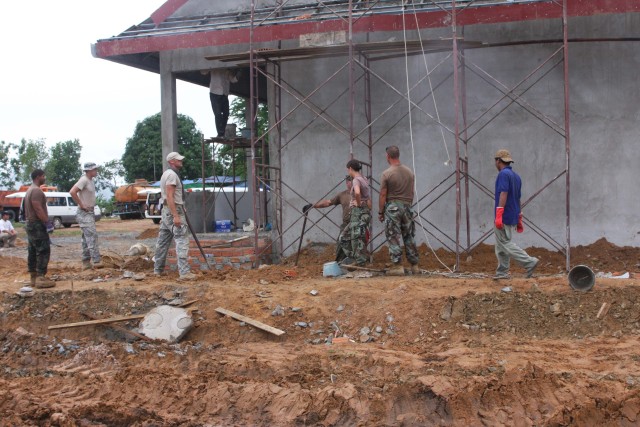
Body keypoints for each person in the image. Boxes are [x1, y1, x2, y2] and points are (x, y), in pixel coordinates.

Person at [493, 149, 539, 279]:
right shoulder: (516, 177)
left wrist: (499, 213)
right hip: (512, 214)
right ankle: (502, 272)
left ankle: (529, 262)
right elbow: (518, 197)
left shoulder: (503, 175)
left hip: (504, 215)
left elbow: (503, 193)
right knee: (501, 245)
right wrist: (519, 214)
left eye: (495, 161)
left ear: (498, 161)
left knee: (505, 243)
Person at [154, 152, 197, 281]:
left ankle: (157, 270)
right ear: (172, 161)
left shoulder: (166, 174)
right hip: (173, 210)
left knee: (162, 242)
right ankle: (184, 273)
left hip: (167, 211)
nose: (181, 161)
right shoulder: (172, 175)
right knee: (182, 240)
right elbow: (170, 196)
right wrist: (176, 216)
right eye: (178, 160)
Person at [378, 145, 420, 276]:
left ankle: (397, 265)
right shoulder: (409, 172)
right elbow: (412, 192)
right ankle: (414, 265)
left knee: (393, 236)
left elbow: (383, 194)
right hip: (407, 206)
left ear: (388, 156)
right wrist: (408, 206)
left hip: (393, 207)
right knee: (409, 235)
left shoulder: (387, 173)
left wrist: (380, 211)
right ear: (398, 155)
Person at [304, 175, 354, 262]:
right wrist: (313, 205)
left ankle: (360, 262)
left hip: (357, 223)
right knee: (341, 242)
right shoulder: (342, 195)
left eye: (353, 180)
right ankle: (340, 263)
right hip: (346, 224)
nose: (352, 183)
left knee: (357, 244)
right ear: (347, 183)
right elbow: (328, 202)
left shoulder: (360, 194)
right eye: (349, 181)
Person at [336, 159, 371, 266]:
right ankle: (359, 259)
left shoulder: (356, 180)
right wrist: (366, 207)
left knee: (353, 237)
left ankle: (360, 261)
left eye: (348, 170)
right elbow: (368, 198)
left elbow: (357, 192)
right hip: (364, 212)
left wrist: (359, 204)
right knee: (357, 237)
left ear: (350, 168)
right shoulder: (364, 179)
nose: (348, 172)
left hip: (358, 212)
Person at [24, 169, 55, 288]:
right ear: (38, 177)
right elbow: (37, 208)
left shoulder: (29, 190)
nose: (44, 177)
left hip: (30, 224)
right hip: (37, 224)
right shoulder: (36, 191)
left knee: (32, 250)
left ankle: (33, 277)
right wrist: (47, 222)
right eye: (43, 176)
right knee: (43, 250)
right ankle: (40, 277)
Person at [70, 162, 103, 270]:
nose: (96, 171)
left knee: (86, 238)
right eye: (94, 169)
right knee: (92, 236)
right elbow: (72, 191)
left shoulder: (90, 181)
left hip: (89, 212)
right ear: (89, 170)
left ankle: (86, 262)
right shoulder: (84, 180)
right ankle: (96, 260)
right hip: (84, 213)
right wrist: (81, 204)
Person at [205, 68, 239, 137]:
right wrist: (208, 66)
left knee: (226, 114)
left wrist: (239, 73)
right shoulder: (214, 66)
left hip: (224, 94)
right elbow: (203, 72)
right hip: (214, 93)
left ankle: (222, 132)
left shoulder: (227, 69)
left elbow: (233, 79)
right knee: (218, 114)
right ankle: (220, 133)